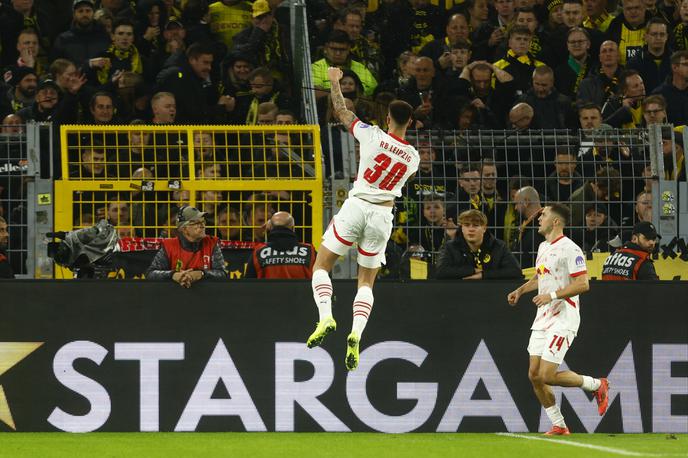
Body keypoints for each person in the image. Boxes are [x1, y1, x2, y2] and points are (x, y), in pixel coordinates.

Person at [306, 66, 419, 371]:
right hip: (383, 213)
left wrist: (333, 82)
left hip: (357, 204)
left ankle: (325, 315)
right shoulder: (414, 158)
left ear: (386, 119)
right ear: (410, 122)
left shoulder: (372, 134)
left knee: (322, 265)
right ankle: (355, 333)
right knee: (366, 282)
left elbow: (341, 111)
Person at [507, 203, 610, 436]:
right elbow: (540, 276)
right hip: (543, 317)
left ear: (555, 222)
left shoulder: (570, 249)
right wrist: (521, 291)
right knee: (534, 374)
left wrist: (551, 295)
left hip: (564, 317)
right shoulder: (544, 246)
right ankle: (559, 425)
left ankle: (596, 385)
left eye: (543, 215)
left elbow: (583, 283)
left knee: (547, 375)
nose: (538, 219)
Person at [146, 205, 226, 286]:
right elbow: (150, 274)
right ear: (184, 229)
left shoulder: (212, 243)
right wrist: (173, 275)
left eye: (203, 221)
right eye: (196, 223)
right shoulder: (169, 246)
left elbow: (222, 274)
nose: (202, 225)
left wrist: (201, 274)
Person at [435, 209, 522, 280]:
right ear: (462, 228)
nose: (471, 229)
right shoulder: (450, 247)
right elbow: (440, 271)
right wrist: (473, 271)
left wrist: (483, 275)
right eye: (467, 225)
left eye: (476, 225)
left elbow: (515, 271)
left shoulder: (499, 246)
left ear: (484, 228)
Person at [245, 211, 316, 279]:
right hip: (303, 291)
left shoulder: (259, 252)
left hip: (268, 291)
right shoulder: (309, 251)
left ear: (270, 228)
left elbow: (248, 283)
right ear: (293, 228)